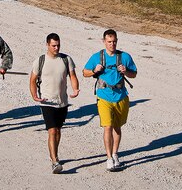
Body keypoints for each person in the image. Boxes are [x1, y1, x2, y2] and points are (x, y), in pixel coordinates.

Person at [83, 29, 138, 172]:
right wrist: (95, 70)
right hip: (104, 96)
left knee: (117, 127)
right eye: (109, 42)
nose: (112, 44)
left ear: (117, 41)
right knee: (107, 127)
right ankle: (108, 159)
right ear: (104, 42)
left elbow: (134, 74)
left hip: (121, 96)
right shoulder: (97, 57)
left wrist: (125, 71)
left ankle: (115, 154)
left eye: (114, 42)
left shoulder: (124, 57)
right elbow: (85, 72)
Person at [29, 33, 80, 174]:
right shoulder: (40, 61)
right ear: (47, 45)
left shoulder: (66, 59)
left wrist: (76, 89)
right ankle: (54, 161)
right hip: (47, 102)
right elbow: (32, 79)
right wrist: (34, 95)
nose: (56, 48)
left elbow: (73, 76)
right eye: (53, 45)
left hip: (62, 102)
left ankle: (55, 154)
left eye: (58, 45)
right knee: (52, 131)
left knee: (58, 130)